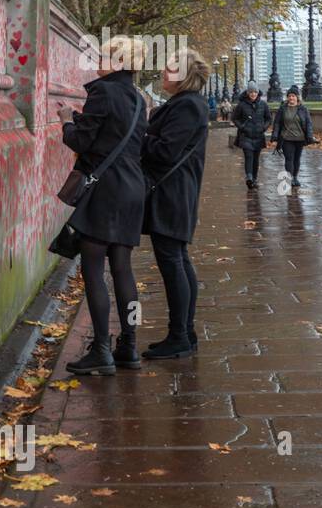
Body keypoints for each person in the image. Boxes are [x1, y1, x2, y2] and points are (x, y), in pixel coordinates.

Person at [56, 35, 148, 376]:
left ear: (120, 62)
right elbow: (113, 137)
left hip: (106, 190)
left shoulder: (103, 92)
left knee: (93, 268)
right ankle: (130, 345)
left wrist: (66, 119)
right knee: (122, 268)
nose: (99, 61)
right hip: (133, 188)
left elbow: (81, 141)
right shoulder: (137, 99)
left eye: (106, 56)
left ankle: (101, 350)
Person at [141, 50, 210, 359]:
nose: (163, 74)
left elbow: (166, 151)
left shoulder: (187, 107)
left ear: (184, 76)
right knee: (178, 259)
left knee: (173, 261)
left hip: (172, 193)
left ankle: (179, 335)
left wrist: (137, 134)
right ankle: (185, 332)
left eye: (170, 70)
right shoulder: (186, 104)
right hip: (176, 191)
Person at [269, 86, 315, 187]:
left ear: (297, 97)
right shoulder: (282, 109)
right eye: (289, 96)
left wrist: (310, 136)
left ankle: (295, 177)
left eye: (293, 96)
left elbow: (308, 123)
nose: (291, 98)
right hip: (286, 138)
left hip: (300, 138)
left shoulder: (303, 109)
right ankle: (290, 178)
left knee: (296, 159)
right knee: (289, 159)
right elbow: (277, 123)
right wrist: (275, 135)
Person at [231, 82, 271, 189]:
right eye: (251, 92)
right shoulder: (241, 105)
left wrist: (263, 128)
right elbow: (234, 118)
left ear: (258, 93)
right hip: (246, 135)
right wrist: (242, 127)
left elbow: (268, 118)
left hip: (258, 135)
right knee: (249, 156)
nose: (253, 94)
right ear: (248, 93)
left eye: (255, 92)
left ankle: (254, 178)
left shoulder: (263, 105)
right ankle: (249, 177)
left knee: (256, 158)